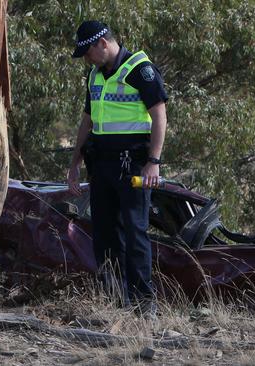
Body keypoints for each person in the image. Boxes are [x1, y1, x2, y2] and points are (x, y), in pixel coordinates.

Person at [66, 21, 168, 318]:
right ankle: (114, 300)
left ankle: (143, 302)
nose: (87, 58)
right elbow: (87, 121)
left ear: (103, 44)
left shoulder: (139, 69)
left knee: (135, 232)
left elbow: (160, 116)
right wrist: (74, 162)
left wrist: (154, 162)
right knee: (104, 234)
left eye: (88, 52)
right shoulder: (95, 76)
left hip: (133, 164)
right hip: (101, 165)